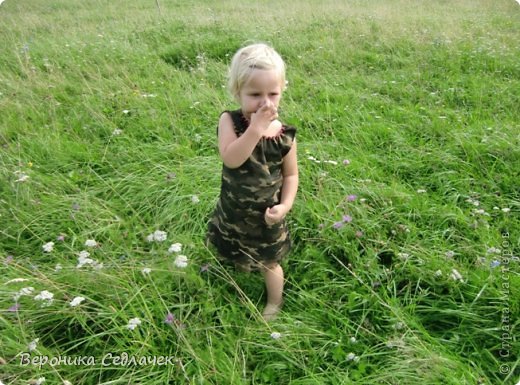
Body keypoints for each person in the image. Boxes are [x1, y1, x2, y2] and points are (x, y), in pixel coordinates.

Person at [206, 43, 298, 321]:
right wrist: (256, 129)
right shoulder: (230, 121)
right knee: (234, 248)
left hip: (266, 215)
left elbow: (291, 175)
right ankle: (241, 271)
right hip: (234, 209)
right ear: (238, 92)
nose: (265, 103)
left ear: (282, 91)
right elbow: (231, 158)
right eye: (255, 94)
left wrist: (285, 206)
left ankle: (274, 303)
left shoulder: (284, 135)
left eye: (273, 93)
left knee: (269, 263)